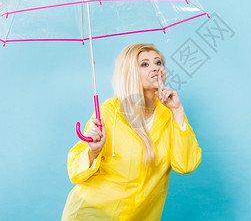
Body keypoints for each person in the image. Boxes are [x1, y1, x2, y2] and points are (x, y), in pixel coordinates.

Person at [62, 43, 202, 220]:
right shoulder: (109, 112)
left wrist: (178, 111)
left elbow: (186, 165)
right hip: (92, 213)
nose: (155, 68)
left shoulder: (169, 114)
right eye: (145, 64)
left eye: (158, 63)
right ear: (130, 73)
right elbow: (74, 171)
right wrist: (93, 151)